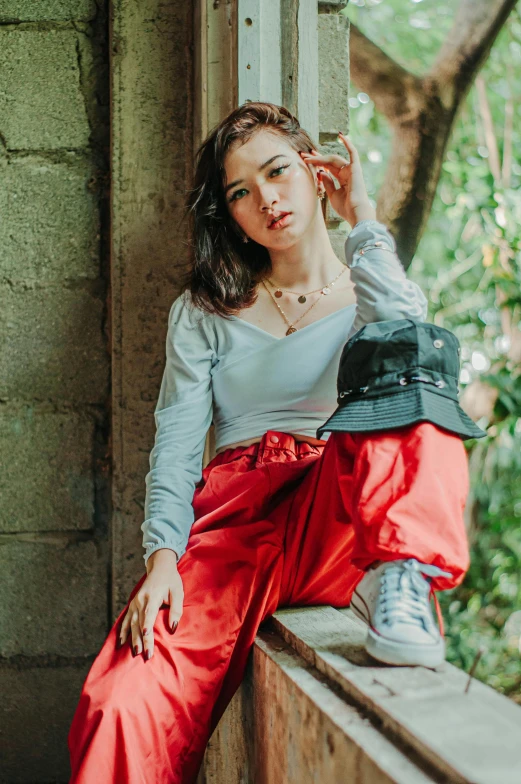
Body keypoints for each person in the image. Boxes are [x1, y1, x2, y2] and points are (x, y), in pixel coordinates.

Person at [68, 101, 484, 783]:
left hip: (336, 509)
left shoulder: (368, 289)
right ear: (227, 211)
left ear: (315, 174)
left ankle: (401, 575)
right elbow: (174, 441)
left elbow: (411, 343)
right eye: (239, 190)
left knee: (403, 357)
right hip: (234, 526)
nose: (265, 198)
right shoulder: (202, 311)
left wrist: (365, 222)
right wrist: (163, 558)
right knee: (121, 702)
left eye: (277, 172)